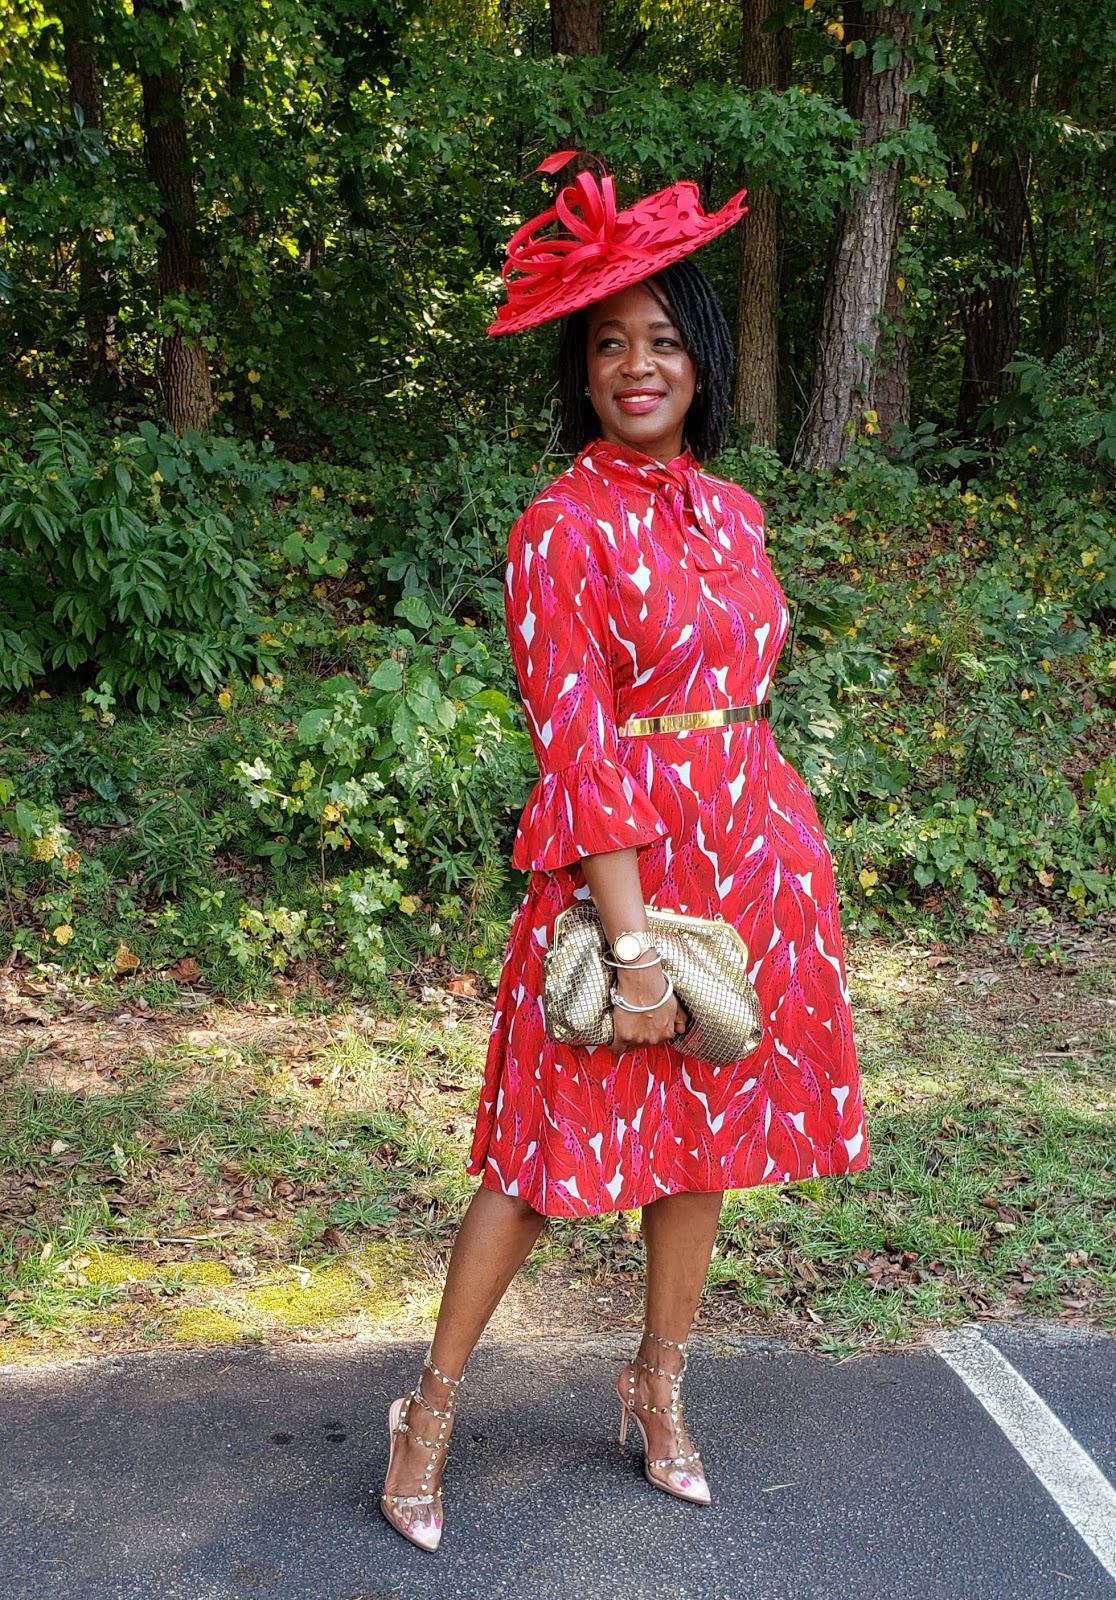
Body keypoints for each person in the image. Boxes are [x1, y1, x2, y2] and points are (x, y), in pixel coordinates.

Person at [380, 154, 868, 1553]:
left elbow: (747, 694)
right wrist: (637, 942)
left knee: (700, 1148)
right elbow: (579, 751)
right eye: (610, 346)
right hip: (625, 877)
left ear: (702, 362)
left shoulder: (737, 515)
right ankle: (427, 1415)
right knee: (539, 1163)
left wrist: (763, 856)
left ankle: (656, 1395)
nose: (637, 367)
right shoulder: (559, 528)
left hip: (751, 853)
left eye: (662, 342)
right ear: (581, 372)